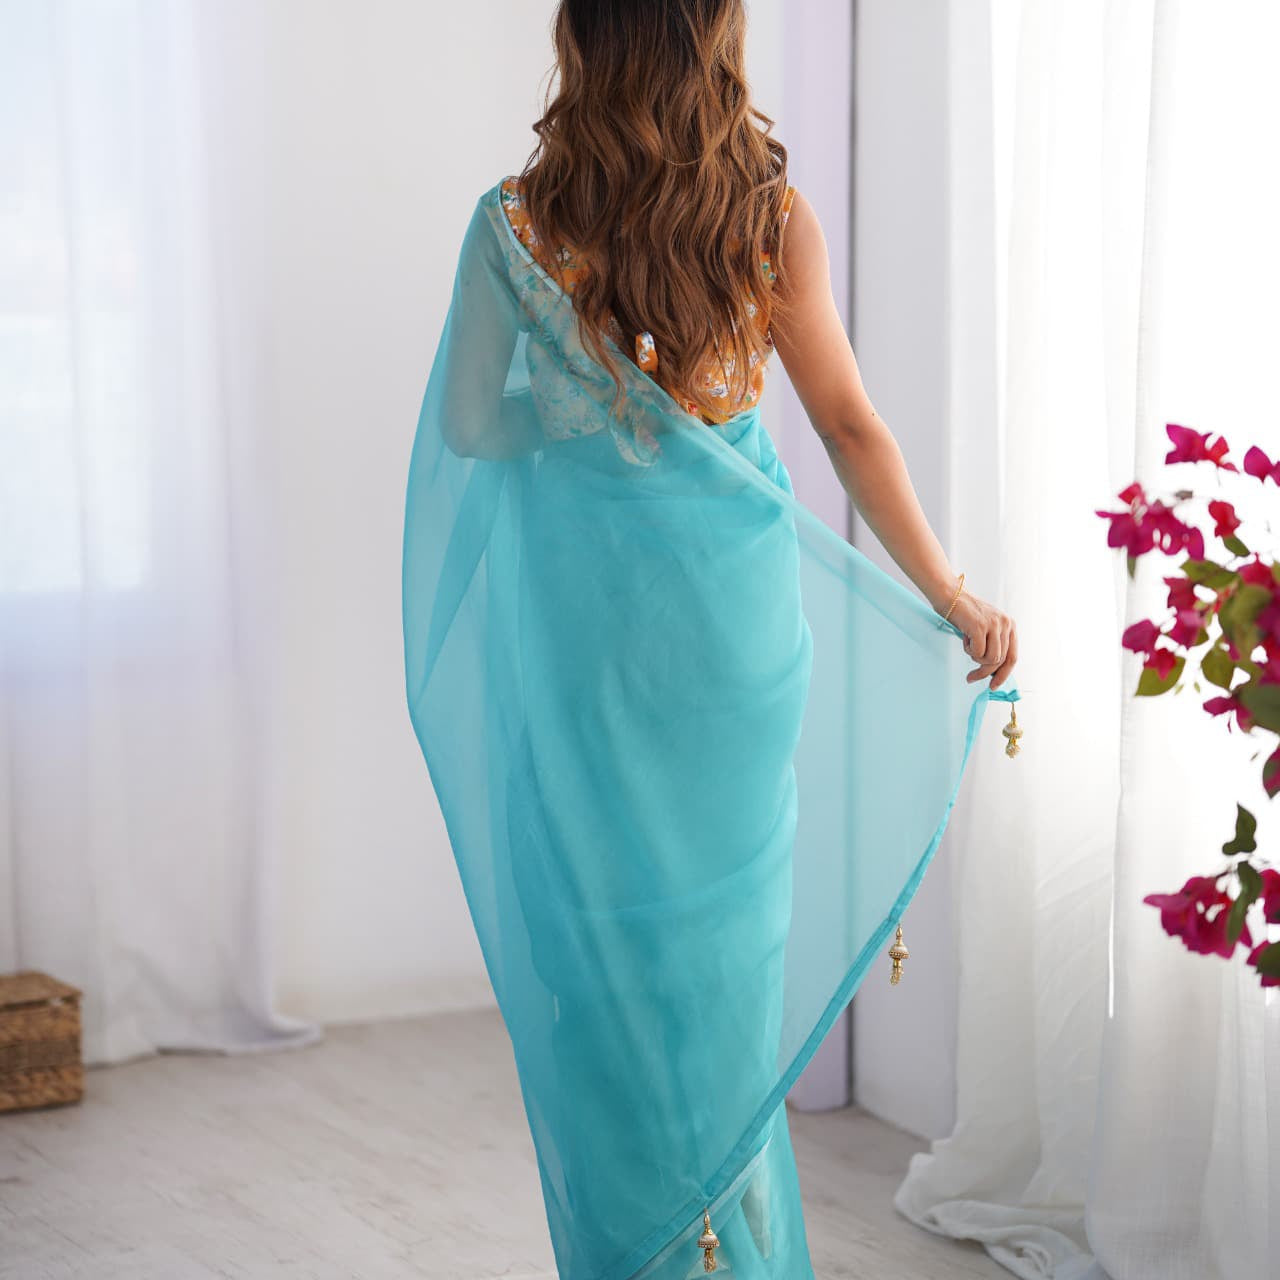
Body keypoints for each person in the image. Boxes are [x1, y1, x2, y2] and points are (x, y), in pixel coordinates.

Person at [402, 3, 1020, 1277]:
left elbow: (466, 424)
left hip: (588, 649)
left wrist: (581, 412)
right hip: (733, 647)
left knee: (601, 972)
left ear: (587, 39)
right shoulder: (766, 217)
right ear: (710, 42)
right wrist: (952, 593)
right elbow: (847, 425)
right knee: (722, 981)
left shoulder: (513, 225)